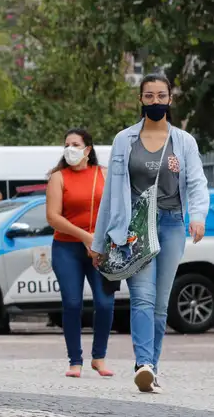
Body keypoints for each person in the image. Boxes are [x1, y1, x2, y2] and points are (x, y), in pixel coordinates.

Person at [91, 73, 210, 393]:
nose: (155, 102)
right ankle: (143, 362)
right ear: (140, 101)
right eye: (149, 96)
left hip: (171, 225)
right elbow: (111, 195)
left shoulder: (184, 141)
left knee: (160, 303)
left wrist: (197, 216)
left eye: (161, 96)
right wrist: (100, 241)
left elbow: (197, 182)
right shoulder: (123, 140)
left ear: (170, 100)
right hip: (134, 228)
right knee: (142, 297)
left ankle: (151, 368)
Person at [46, 128, 115, 378]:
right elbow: (53, 217)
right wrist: (85, 236)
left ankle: (99, 357)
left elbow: (116, 209)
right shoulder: (58, 177)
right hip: (67, 247)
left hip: (100, 249)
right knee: (72, 303)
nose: (70, 149)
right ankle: (75, 360)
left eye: (75, 144)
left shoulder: (104, 174)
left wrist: (102, 240)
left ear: (87, 150)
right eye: (66, 144)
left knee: (105, 303)